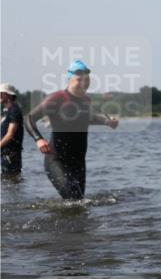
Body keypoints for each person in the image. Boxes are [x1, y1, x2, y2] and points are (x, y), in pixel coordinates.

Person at [24, 60, 119, 199]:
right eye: (79, 79)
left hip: (79, 161)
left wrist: (106, 122)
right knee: (74, 198)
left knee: (79, 203)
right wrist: (38, 139)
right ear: (69, 79)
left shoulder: (86, 100)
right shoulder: (57, 98)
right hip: (57, 160)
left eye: (87, 79)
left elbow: (87, 117)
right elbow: (29, 118)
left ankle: (65, 220)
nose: (84, 82)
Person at [1, 83, 24, 180]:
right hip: (6, 154)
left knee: (11, 181)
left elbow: (10, 134)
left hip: (11, 155)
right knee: (8, 184)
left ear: (7, 95)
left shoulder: (14, 110)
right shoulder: (7, 111)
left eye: (1, 93)